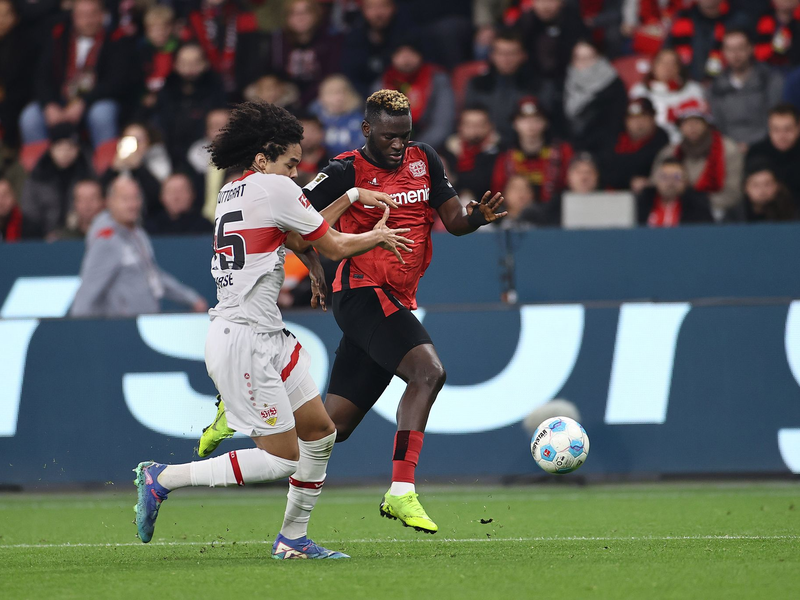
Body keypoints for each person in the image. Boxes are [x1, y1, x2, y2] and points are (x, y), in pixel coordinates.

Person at [198, 90, 506, 534]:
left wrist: (475, 217)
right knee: (427, 373)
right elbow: (293, 220)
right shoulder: (344, 170)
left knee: (332, 429)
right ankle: (401, 491)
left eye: (405, 136)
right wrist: (319, 268)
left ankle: (241, 413)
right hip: (361, 292)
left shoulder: (426, 159)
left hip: (395, 298)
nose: (399, 145)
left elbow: (454, 221)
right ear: (366, 131)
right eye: (389, 137)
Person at [133, 100, 416, 558]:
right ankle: (162, 477)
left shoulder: (235, 190)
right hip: (244, 339)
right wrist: (378, 235)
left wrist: (355, 198)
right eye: (289, 163)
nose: (295, 172)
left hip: (266, 335)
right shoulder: (274, 188)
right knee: (283, 457)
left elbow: (299, 238)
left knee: (321, 432)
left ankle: (293, 540)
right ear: (263, 158)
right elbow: (336, 243)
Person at [70, 176, 207, 317]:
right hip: (121, 327)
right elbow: (88, 289)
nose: (132, 205)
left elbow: (152, 274)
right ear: (109, 202)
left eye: (135, 198)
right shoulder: (107, 239)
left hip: (143, 322)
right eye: (125, 199)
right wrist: (79, 328)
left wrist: (191, 298)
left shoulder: (138, 232)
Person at [20, 0, 140, 148]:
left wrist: (84, 102)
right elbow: (42, 75)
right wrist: (49, 104)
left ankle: (106, 168)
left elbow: (117, 82)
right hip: (60, 99)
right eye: (82, 15)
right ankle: (41, 168)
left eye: (92, 15)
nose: (87, 21)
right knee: (30, 117)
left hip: (96, 100)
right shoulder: (59, 36)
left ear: (102, 15)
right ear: (74, 16)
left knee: (102, 114)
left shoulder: (116, 38)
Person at [464, 31, 557, 145]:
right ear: (492, 55)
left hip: (528, 148)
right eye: (501, 53)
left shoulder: (540, 86)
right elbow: (469, 121)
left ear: (523, 55)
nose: (506, 59)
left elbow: (545, 125)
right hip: (485, 147)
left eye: (512, 53)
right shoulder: (477, 84)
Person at [652, 105, 743, 220]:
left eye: (697, 122)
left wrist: (697, 202)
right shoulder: (669, 153)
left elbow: (733, 193)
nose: (692, 127)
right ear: (679, 127)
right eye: (686, 123)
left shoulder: (728, 149)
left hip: (718, 211)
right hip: (677, 210)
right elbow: (655, 186)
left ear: (707, 125)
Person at [156, 43, 227, 170]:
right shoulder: (167, 89)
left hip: (206, 150)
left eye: (195, 63)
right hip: (171, 153)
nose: (189, 69)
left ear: (205, 64)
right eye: (184, 63)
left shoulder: (216, 88)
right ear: (175, 65)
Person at [709, 29, 784, 149]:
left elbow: (775, 116)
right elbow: (718, 123)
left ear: (751, 49)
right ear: (723, 52)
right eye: (730, 49)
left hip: (765, 144)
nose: (735, 54)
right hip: (729, 147)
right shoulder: (716, 86)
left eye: (740, 48)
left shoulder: (769, 78)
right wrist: (731, 145)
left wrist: (754, 144)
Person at [492, 96, 573, 207]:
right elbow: (497, 191)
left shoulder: (562, 152)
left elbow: (571, 185)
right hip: (514, 216)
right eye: (524, 119)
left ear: (546, 123)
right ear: (514, 124)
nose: (530, 125)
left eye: (537, 119)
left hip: (555, 214)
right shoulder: (505, 156)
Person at [19, 123, 95, 237]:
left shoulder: (87, 175)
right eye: (60, 147)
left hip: (79, 236)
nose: (65, 153)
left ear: (78, 149)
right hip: (41, 240)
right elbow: (30, 214)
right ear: (51, 148)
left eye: (70, 147)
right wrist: (44, 235)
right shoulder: (38, 176)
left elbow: (96, 207)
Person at [380, 39, 455, 150]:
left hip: (432, 148)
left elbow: (442, 125)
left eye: (411, 53)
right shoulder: (383, 83)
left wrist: (415, 149)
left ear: (420, 55)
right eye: (400, 54)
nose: (406, 59)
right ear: (392, 57)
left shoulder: (437, 80)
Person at [181, 0, 262, 100]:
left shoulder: (242, 13)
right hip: (203, 89)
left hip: (240, 88)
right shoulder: (192, 15)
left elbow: (253, 53)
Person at [267, 0, 342, 107]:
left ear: (316, 14)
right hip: (286, 95)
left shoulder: (331, 39)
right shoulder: (278, 40)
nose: (300, 18)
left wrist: (303, 100)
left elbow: (331, 74)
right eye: (294, 13)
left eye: (306, 12)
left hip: (320, 94)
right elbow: (272, 72)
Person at [630, 48, 708, 143]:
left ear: (679, 67)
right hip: (649, 144)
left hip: (686, 144)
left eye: (672, 63)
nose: (667, 67)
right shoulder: (640, 91)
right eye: (662, 62)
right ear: (653, 66)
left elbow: (701, 123)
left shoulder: (693, 90)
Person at [563, 41, 628, 156]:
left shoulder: (613, 84)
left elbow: (614, 121)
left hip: (603, 149)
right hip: (572, 147)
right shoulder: (565, 80)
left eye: (589, 58)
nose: (584, 64)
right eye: (579, 58)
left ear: (598, 58)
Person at [599, 97, 670, 192]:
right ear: (626, 121)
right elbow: (604, 170)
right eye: (633, 118)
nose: (638, 122)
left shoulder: (662, 142)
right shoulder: (614, 138)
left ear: (653, 118)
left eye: (643, 116)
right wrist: (628, 180)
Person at [664, 0, 745, 81]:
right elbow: (667, 53)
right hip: (686, 83)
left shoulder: (735, 20)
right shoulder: (683, 18)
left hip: (726, 84)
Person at [342, 0, 410, 96]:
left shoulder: (409, 37)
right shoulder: (354, 38)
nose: (378, 13)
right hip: (364, 99)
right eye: (371, 7)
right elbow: (350, 77)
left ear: (394, 7)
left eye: (384, 6)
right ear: (362, 10)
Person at [440, 104, 500, 202]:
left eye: (479, 125)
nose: (474, 130)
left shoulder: (500, 151)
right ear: (460, 127)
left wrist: (455, 180)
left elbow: (484, 184)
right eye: (469, 124)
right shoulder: (447, 151)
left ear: (490, 126)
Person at [745, 103, 800, 201]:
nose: (782, 136)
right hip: (765, 210)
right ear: (769, 129)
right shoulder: (756, 152)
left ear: (798, 128)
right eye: (776, 129)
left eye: (787, 129)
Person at [0, 0, 36, 148]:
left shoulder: (25, 42)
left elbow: (24, 81)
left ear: (15, 17)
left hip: (18, 98)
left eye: (4, 15)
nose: (0, 20)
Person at [637, 157, 714, 226]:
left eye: (677, 177)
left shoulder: (698, 206)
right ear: (656, 180)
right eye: (665, 177)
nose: (670, 182)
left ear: (686, 181)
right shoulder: (641, 204)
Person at [310, 75, 364, 158]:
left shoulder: (361, 122)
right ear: (321, 96)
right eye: (332, 93)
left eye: (343, 92)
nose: (338, 98)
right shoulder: (313, 119)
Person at [146, 173, 211, 236]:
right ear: (162, 197)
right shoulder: (150, 229)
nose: (176, 197)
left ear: (192, 195)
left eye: (181, 191)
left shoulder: (206, 228)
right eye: (171, 191)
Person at [753, 0, 800, 67]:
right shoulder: (765, 21)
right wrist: (774, 47)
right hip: (769, 66)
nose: (787, 1)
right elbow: (759, 54)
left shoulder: (797, 23)